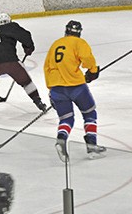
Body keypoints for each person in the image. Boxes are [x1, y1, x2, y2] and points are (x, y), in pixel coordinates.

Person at [44, 20, 106, 162]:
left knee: (66, 119)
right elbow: (87, 59)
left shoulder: (55, 44)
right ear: (79, 32)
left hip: (57, 89)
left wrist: (50, 91)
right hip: (76, 87)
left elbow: (47, 68)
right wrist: (92, 71)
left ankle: (61, 140)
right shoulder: (79, 43)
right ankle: (91, 144)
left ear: (66, 31)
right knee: (89, 113)